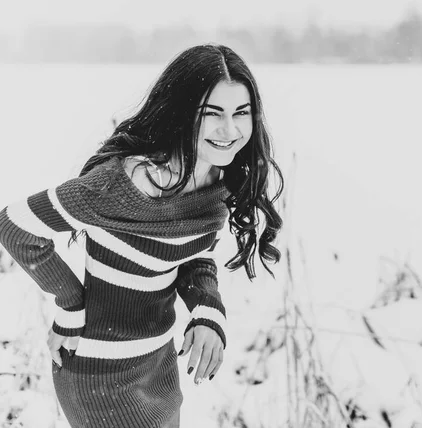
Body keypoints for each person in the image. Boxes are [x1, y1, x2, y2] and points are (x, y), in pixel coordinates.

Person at [0, 43, 284, 428]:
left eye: (241, 113)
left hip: (158, 366)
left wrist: (207, 309)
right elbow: (14, 225)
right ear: (182, 114)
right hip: (99, 373)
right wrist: (69, 305)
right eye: (211, 114)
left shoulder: (217, 174)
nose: (230, 130)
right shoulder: (134, 182)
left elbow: (191, 253)